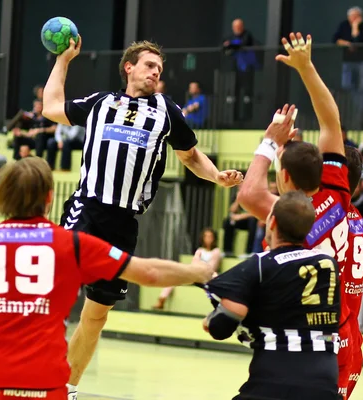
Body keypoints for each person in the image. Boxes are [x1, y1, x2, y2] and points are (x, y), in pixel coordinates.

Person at [41, 37, 243, 399]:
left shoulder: (166, 110)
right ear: (129, 67)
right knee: (41, 276)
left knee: (96, 316)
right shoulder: (100, 104)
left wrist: (216, 176)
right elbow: (52, 106)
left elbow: (191, 156)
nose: (156, 73)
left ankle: (67, 387)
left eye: (160, 70)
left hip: (124, 223)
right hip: (88, 208)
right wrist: (64, 60)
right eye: (150, 66)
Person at [0, 157, 214, 400]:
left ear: (0, 196)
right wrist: (198, 272)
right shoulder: (71, 245)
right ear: (50, 198)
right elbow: (149, 272)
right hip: (41, 386)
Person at [236, 33, 363, 400]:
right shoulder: (339, 197)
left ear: (288, 179)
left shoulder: (293, 215)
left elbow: (249, 194)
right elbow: (331, 122)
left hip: (306, 346)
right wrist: (307, 67)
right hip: (343, 333)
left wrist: (269, 142)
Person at [202, 191, 341, 399]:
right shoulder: (328, 263)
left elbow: (219, 328)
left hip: (274, 378)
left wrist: (211, 315)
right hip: (325, 381)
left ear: (272, 222)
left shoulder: (259, 264)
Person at [153, 227, 222, 310]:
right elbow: (194, 262)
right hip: (195, 274)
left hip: (207, 276)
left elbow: (211, 267)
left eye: (210, 236)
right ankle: (162, 299)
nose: (208, 239)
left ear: (214, 238)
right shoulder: (200, 250)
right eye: (206, 236)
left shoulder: (216, 251)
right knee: (174, 277)